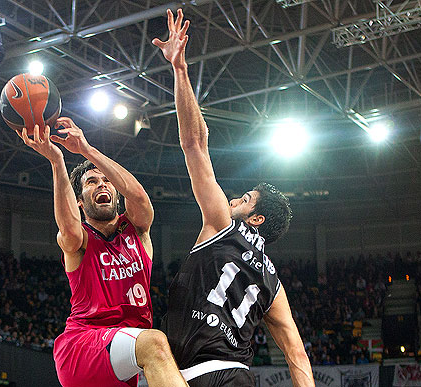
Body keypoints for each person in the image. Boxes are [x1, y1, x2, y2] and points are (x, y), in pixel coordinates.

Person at [152, 9, 314, 387]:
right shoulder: (273, 281)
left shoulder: (220, 225)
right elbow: (296, 353)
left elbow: (194, 142)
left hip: (194, 375)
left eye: (244, 199)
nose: (233, 201)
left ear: (254, 218)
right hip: (239, 377)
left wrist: (179, 70)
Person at [17, 118, 187, 387]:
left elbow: (140, 197)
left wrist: (86, 149)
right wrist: (57, 161)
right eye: (92, 182)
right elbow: (69, 227)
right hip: (83, 345)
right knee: (156, 343)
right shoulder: (80, 239)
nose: (102, 185)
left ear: (117, 195)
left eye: (107, 181)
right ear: (80, 203)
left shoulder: (138, 230)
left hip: (124, 358)